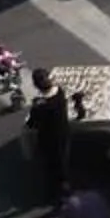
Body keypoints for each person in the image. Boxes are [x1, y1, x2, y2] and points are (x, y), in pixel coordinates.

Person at [27, 71, 74, 203]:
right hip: (63, 133)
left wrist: (36, 107)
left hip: (48, 139)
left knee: (51, 166)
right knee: (62, 163)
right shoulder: (59, 92)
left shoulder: (40, 104)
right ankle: (65, 190)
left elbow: (32, 124)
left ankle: (55, 193)